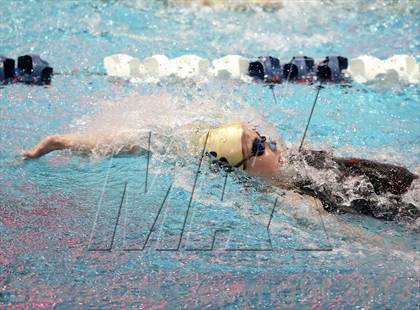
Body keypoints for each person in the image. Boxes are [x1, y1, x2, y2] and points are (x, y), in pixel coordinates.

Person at [23, 121, 418, 221]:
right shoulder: (292, 197)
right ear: (242, 168)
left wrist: (61, 140)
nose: (271, 143)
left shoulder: (274, 164)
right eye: (259, 146)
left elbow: (143, 142)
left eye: (260, 135)